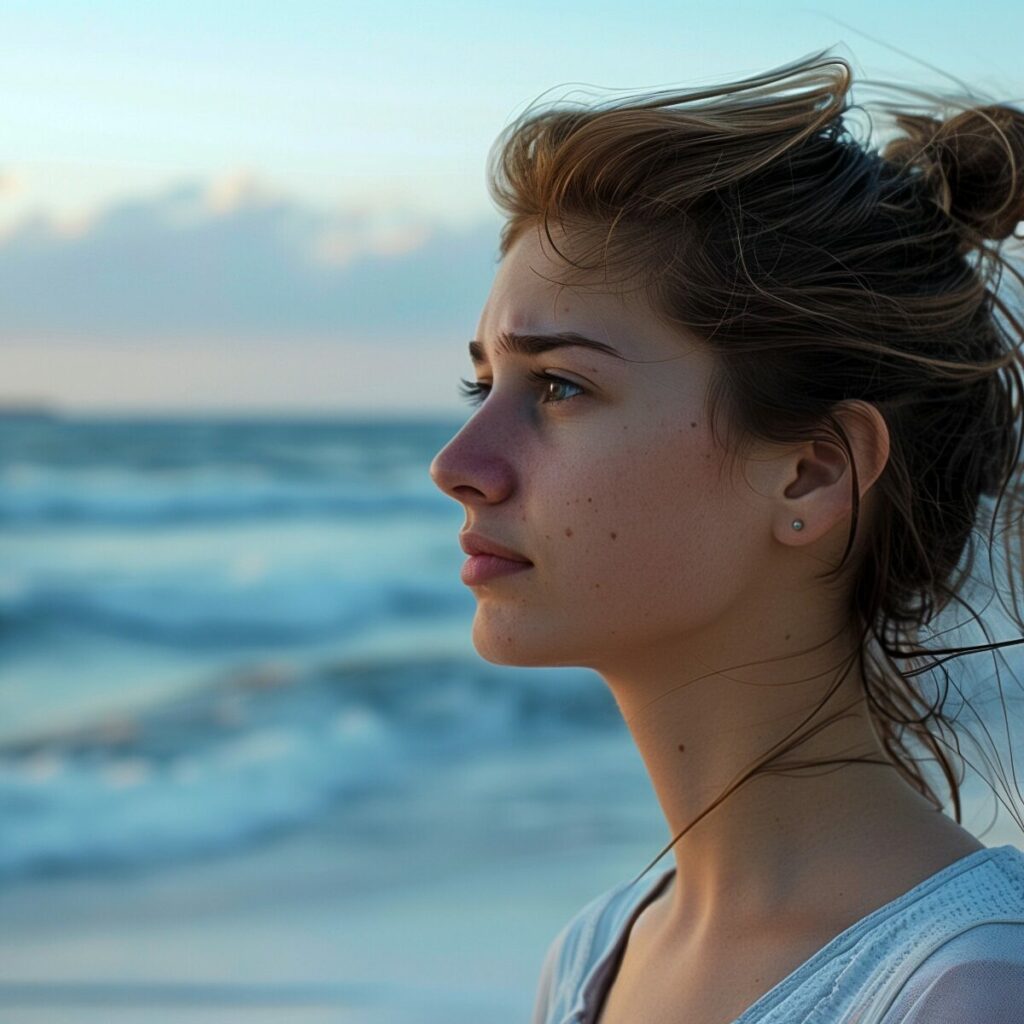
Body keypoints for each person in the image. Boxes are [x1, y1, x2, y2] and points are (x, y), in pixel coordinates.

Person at [428, 49, 1024, 1023]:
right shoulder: (590, 959)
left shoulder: (965, 990)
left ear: (811, 471)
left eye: (559, 386)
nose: (458, 460)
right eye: (480, 384)